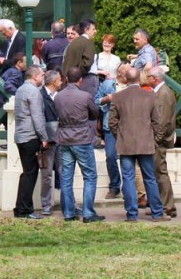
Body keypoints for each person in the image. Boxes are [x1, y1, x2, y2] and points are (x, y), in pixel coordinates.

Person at [108, 66, 168, 222]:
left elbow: (112, 122)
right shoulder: (150, 96)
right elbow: (157, 122)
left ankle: (132, 214)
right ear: (139, 78)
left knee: (128, 178)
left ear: (125, 79)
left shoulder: (118, 97)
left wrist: (120, 136)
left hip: (126, 143)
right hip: (145, 143)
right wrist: (155, 140)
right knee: (150, 178)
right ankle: (157, 213)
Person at [55, 66, 103, 222]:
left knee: (66, 177)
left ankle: (69, 213)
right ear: (81, 80)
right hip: (81, 138)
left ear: (66, 79)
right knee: (90, 176)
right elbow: (94, 113)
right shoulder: (85, 96)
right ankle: (88, 213)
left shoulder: (58, 96)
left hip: (64, 138)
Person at [12, 66, 48, 219]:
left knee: (27, 173)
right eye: (42, 75)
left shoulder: (20, 89)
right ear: (35, 77)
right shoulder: (34, 91)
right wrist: (44, 137)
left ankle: (20, 208)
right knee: (30, 174)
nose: (43, 77)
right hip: (30, 136)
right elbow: (37, 116)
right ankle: (25, 209)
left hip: (21, 135)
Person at [146, 66, 178, 218]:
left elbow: (163, 120)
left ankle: (167, 207)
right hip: (158, 139)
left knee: (160, 173)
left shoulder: (163, 93)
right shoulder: (160, 92)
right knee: (157, 172)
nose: (146, 78)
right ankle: (161, 205)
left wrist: (156, 139)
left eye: (148, 76)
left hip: (159, 141)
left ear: (155, 78)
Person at [95, 64, 128, 200]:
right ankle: (114, 186)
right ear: (120, 73)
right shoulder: (108, 84)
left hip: (128, 128)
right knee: (110, 156)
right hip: (110, 127)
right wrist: (106, 99)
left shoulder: (133, 86)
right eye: (127, 71)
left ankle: (128, 188)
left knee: (127, 158)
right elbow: (95, 101)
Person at [37, 70, 62, 215]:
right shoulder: (40, 95)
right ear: (54, 82)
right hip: (47, 140)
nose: (61, 82)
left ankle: (68, 203)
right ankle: (46, 204)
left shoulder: (61, 96)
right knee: (46, 174)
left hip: (62, 138)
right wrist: (43, 137)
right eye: (60, 79)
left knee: (64, 172)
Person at [62, 18, 99, 95]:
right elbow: (87, 64)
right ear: (86, 30)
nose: (95, 31)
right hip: (85, 79)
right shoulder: (87, 42)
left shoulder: (74, 43)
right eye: (93, 29)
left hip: (72, 80)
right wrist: (77, 76)